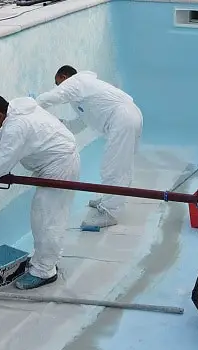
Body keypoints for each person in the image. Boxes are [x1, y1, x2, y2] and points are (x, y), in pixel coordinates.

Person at [0, 92, 80, 290]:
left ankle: (45, 270)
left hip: (60, 164)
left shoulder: (18, 125)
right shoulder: (16, 112)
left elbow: (1, 164)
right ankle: (45, 260)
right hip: (58, 160)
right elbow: (3, 136)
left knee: (47, 216)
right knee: (45, 215)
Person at [35, 65, 143, 228]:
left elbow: (50, 98)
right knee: (119, 165)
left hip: (124, 119)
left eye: (58, 83)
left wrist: (28, 107)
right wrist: (59, 124)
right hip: (127, 118)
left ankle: (111, 212)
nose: (58, 87)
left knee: (113, 167)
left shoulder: (77, 82)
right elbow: (79, 124)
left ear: (64, 77)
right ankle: (110, 198)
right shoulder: (82, 94)